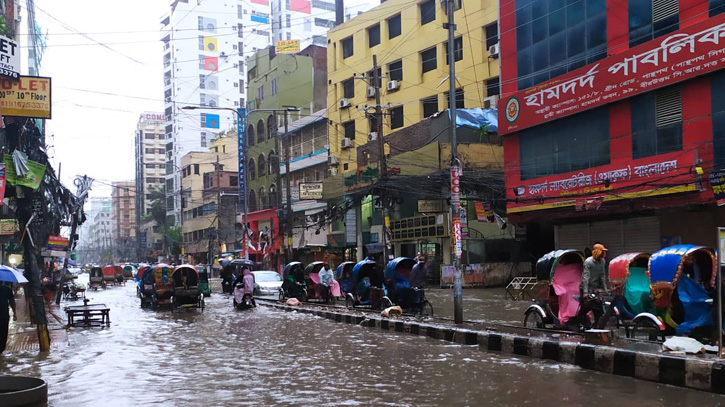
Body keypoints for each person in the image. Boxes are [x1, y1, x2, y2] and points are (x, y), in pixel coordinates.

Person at [0, 282, 17, 354]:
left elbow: (12, 301)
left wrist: (15, 313)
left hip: (4, 315)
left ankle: (1, 350)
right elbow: (12, 302)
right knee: (3, 333)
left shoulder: (7, 289)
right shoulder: (7, 289)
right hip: (4, 315)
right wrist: (14, 313)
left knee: (3, 333)